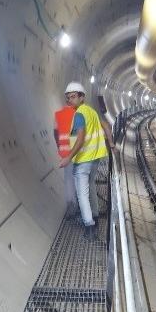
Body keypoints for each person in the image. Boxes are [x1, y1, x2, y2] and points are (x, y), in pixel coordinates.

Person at [59, 82, 115, 239]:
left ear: (82, 97)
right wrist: (110, 143)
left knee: (82, 194)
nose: (70, 100)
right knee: (90, 188)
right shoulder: (91, 111)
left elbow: (81, 137)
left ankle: (89, 226)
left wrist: (68, 158)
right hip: (95, 158)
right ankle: (95, 217)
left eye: (74, 97)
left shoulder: (79, 115)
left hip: (83, 160)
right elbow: (105, 126)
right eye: (68, 98)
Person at [54, 83, 78, 213]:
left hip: (65, 153)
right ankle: (81, 204)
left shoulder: (58, 114)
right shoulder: (77, 114)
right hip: (78, 152)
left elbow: (55, 133)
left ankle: (71, 205)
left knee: (68, 180)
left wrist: (59, 147)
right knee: (79, 178)